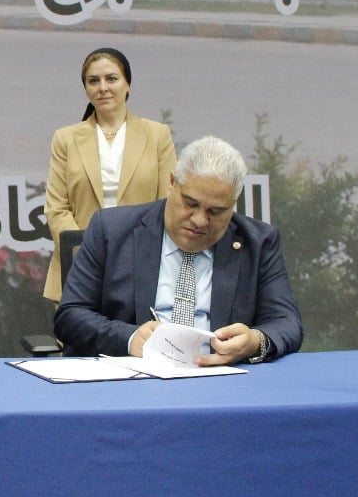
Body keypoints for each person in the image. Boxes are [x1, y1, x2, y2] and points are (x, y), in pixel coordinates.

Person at [54, 135, 303, 364]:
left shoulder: (258, 243)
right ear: (172, 183)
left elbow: (287, 322)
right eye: (190, 203)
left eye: (216, 211)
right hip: (130, 379)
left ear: (232, 204)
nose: (199, 220)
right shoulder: (112, 230)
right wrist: (129, 338)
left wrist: (256, 341)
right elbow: (70, 316)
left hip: (218, 380)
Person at [43, 47, 176, 302]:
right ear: (86, 89)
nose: (103, 87)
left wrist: (129, 255)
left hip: (141, 267)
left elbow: (168, 204)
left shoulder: (157, 135)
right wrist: (87, 253)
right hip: (80, 268)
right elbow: (56, 209)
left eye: (111, 79)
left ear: (128, 85)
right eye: (94, 81)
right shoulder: (66, 138)